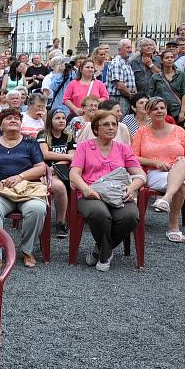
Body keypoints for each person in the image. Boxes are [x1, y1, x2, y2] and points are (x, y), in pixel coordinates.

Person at [69, 110, 145, 272]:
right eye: (106, 124)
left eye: (114, 124)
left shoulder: (123, 148)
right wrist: (86, 189)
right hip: (91, 194)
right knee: (100, 214)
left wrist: (132, 188)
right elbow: (74, 174)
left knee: (131, 216)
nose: (111, 128)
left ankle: (101, 249)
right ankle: (105, 255)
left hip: (118, 194)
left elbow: (140, 175)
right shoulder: (84, 147)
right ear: (96, 129)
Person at [0, 108, 47, 269]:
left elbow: (41, 168)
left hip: (27, 190)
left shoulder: (30, 142)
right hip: (2, 191)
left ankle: (27, 250)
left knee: (37, 208)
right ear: (1, 124)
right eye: (9, 118)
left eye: (17, 118)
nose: (13, 120)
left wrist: (19, 177)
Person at [132, 98, 185, 243]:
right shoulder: (141, 132)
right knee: (181, 184)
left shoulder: (179, 131)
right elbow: (133, 157)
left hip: (184, 169)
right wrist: (155, 162)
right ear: (148, 113)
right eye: (155, 109)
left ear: (166, 110)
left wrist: (179, 162)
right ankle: (173, 226)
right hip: (156, 173)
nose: (159, 111)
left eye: (162, 108)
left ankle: (166, 198)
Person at [37, 109, 75, 238]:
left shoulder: (68, 135)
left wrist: (56, 165)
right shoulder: (43, 134)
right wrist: (65, 158)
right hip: (45, 172)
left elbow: (73, 156)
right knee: (59, 186)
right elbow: (45, 154)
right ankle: (60, 222)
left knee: (68, 183)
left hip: (62, 170)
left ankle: (64, 220)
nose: (61, 121)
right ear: (50, 121)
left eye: (63, 118)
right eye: (57, 118)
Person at [148, 49, 185, 124]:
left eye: (171, 57)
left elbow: (184, 93)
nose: (170, 59)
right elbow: (150, 95)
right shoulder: (155, 77)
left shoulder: (181, 75)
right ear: (162, 61)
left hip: (176, 110)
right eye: (167, 58)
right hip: (160, 111)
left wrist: (182, 112)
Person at [105, 38, 136, 114]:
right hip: (118, 98)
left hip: (125, 97)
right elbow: (119, 86)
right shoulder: (117, 63)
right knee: (119, 120)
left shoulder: (126, 63)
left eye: (131, 47)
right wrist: (131, 96)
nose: (130, 50)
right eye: (127, 48)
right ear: (120, 50)